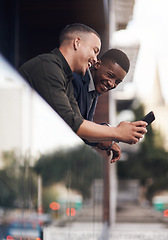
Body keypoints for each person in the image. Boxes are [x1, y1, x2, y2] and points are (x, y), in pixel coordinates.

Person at [19, 23, 147, 151]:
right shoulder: (49, 67)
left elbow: (78, 121)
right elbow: (71, 123)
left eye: (117, 82)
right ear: (77, 43)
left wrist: (111, 134)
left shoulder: (65, 77)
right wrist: (117, 132)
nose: (96, 60)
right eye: (95, 51)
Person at [72, 48, 130, 162]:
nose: (112, 83)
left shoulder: (94, 90)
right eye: (110, 75)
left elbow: (85, 125)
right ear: (97, 64)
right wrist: (112, 133)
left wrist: (107, 140)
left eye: (117, 82)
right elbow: (76, 124)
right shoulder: (76, 80)